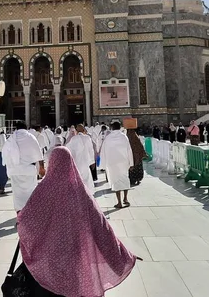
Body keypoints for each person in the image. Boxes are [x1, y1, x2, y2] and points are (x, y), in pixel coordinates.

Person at [17, 147, 137, 297]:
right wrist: (123, 255)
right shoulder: (80, 193)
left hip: (50, 259)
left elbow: (26, 222)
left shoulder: (43, 190)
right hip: (76, 255)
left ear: (52, 163)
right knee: (75, 288)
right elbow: (101, 228)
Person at [3, 121, 45, 212]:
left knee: (17, 195)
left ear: (16, 128)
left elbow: (5, 154)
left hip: (15, 171)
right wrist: (42, 167)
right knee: (30, 193)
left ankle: (19, 215)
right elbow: (39, 154)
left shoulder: (11, 138)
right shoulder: (30, 137)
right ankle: (29, 215)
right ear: (26, 128)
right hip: (28, 171)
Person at [100, 121, 134, 209]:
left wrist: (103, 165)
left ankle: (119, 202)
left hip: (112, 163)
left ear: (112, 128)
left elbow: (103, 151)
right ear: (120, 127)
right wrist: (131, 163)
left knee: (116, 181)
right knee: (125, 178)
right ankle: (125, 199)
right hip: (123, 162)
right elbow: (129, 150)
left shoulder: (108, 138)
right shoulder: (124, 137)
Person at [65, 124, 96, 193]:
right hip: (85, 162)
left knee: (78, 180)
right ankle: (86, 194)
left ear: (76, 131)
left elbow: (68, 150)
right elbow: (91, 150)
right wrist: (93, 162)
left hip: (76, 163)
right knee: (86, 180)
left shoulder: (73, 139)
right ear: (83, 130)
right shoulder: (87, 138)